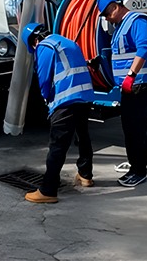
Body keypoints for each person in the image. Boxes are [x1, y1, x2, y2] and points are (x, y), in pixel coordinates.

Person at [21, 22, 96, 204]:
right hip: (84, 97)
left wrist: (47, 100)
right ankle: (85, 175)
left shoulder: (45, 46)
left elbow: (44, 79)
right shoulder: (68, 42)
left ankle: (48, 190)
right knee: (83, 135)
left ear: (33, 41)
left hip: (66, 102)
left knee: (57, 146)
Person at [97, 0, 147, 187]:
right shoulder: (121, 25)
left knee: (135, 129)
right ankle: (134, 163)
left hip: (140, 84)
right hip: (130, 86)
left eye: (107, 14)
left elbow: (144, 48)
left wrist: (131, 76)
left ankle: (139, 171)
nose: (106, 19)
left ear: (115, 7)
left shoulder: (138, 20)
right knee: (130, 128)